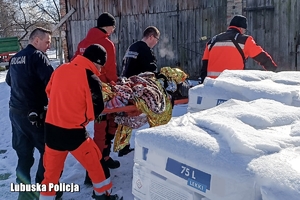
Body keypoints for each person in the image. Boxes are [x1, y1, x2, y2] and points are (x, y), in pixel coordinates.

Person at [40, 44, 122, 200]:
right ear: (96, 61)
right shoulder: (91, 78)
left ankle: (46, 198)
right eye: (101, 65)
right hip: (74, 132)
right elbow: (97, 108)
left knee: (50, 173)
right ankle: (103, 193)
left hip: (51, 129)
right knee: (95, 162)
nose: (101, 69)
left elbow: (49, 91)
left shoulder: (60, 69)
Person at [5, 27, 54, 200]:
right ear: (36, 40)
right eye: (47, 42)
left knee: (24, 156)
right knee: (48, 152)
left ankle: (24, 194)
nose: (49, 46)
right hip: (34, 115)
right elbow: (52, 82)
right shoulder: (37, 56)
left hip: (16, 114)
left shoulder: (15, 58)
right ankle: (44, 190)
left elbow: (10, 81)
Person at [73, 12, 120, 175]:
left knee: (100, 126)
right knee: (105, 126)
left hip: (83, 92)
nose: (113, 30)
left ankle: (104, 158)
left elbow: (75, 65)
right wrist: (115, 86)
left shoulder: (82, 43)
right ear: (107, 26)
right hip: (102, 91)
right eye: (113, 27)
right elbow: (111, 69)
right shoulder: (107, 44)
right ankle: (95, 167)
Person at [119, 26, 160, 156]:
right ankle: (155, 142)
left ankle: (123, 146)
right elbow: (151, 71)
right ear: (151, 36)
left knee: (126, 116)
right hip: (139, 89)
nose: (156, 43)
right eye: (156, 39)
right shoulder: (145, 50)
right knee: (156, 112)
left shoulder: (132, 47)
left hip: (126, 87)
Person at [200, 15, 277, 83]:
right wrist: (274, 71)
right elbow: (262, 57)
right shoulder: (244, 40)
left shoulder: (212, 41)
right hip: (232, 84)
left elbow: (204, 65)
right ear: (241, 28)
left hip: (212, 85)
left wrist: (203, 83)